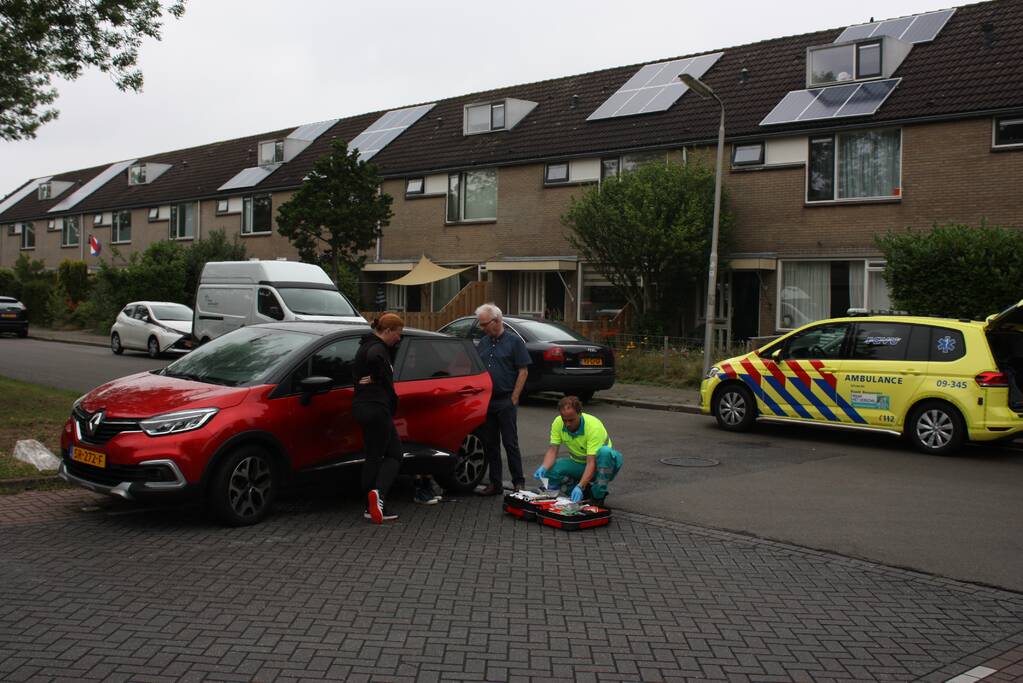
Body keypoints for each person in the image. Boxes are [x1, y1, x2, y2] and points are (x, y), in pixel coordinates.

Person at [353, 313, 404, 524]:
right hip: (376, 408)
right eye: (398, 334)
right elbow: (376, 358)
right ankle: (378, 496)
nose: (399, 339)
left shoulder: (363, 345)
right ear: (388, 331)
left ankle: (369, 505)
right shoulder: (378, 347)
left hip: (361, 408)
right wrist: (378, 376)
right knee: (395, 454)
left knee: (373, 455)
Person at [475, 303, 530, 496]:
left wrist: (514, 397)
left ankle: (518, 482)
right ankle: (495, 483)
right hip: (487, 401)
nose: (482, 328)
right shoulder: (483, 342)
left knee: (510, 442)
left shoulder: (514, 342)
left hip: (505, 400)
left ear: (496, 321)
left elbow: (523, 371)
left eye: (484, 324)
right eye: (481, 325)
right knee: (490, 443)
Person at [533, 396, 623, 505]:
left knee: (604, 453)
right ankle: (585, 494)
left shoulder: (593, 427)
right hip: (581, 465)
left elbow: (591, 463)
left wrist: (580, 486)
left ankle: (598, 496)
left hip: (603, 466)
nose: (567, 424)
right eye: (564, 420)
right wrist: (544, 467)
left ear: (580, 414)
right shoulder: (558, 423)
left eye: (571, 420)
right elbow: (552, 450)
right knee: (551, 469)